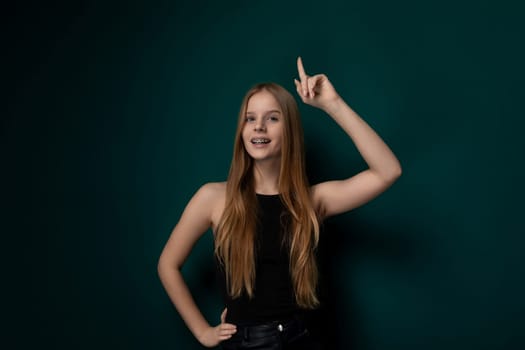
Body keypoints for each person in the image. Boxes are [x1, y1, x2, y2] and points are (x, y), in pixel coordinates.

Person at [157, 57, 402, 349]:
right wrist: (202, 332)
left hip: (302, 339)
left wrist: (332, 104)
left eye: (272, 118)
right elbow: (168, 264)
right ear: (242, 131)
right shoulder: (212, 198)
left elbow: (388, 171)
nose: (259, 127)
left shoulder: (311, 201)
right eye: (251, 118)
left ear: (289, 133)